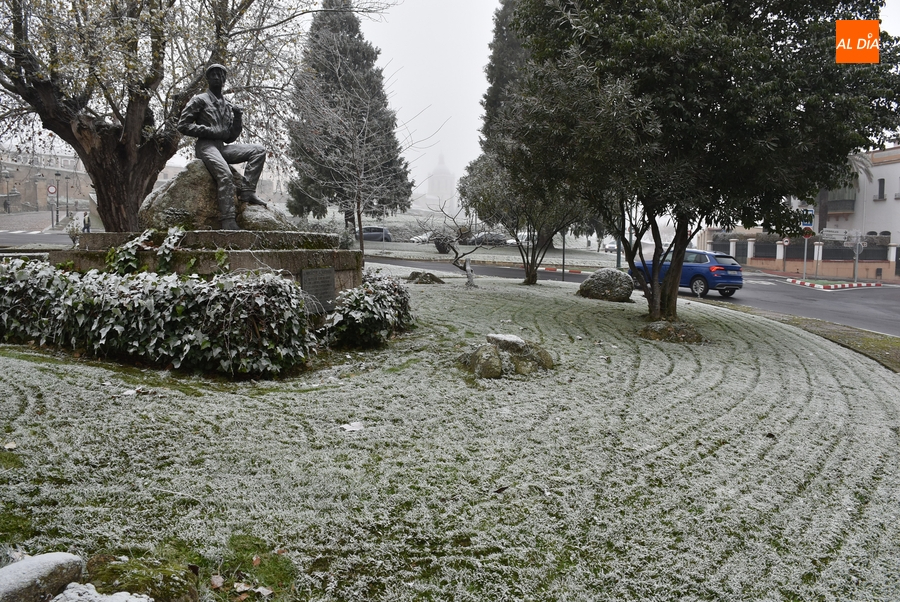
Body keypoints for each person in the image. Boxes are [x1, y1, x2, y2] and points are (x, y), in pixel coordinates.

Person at [177, 64, 266, 230]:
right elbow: (183, 125)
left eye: (221, 75)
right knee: (225, 175)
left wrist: (237, 118)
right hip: (206, 146)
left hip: (221, 147)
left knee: (259, 150)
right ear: (208, 78)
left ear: (225, 79)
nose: (217, 77)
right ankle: (228, 220)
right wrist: (209, 130)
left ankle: (247, 191)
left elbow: (230, 137)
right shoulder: (199, 100)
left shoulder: (227, 105)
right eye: (214, 75)